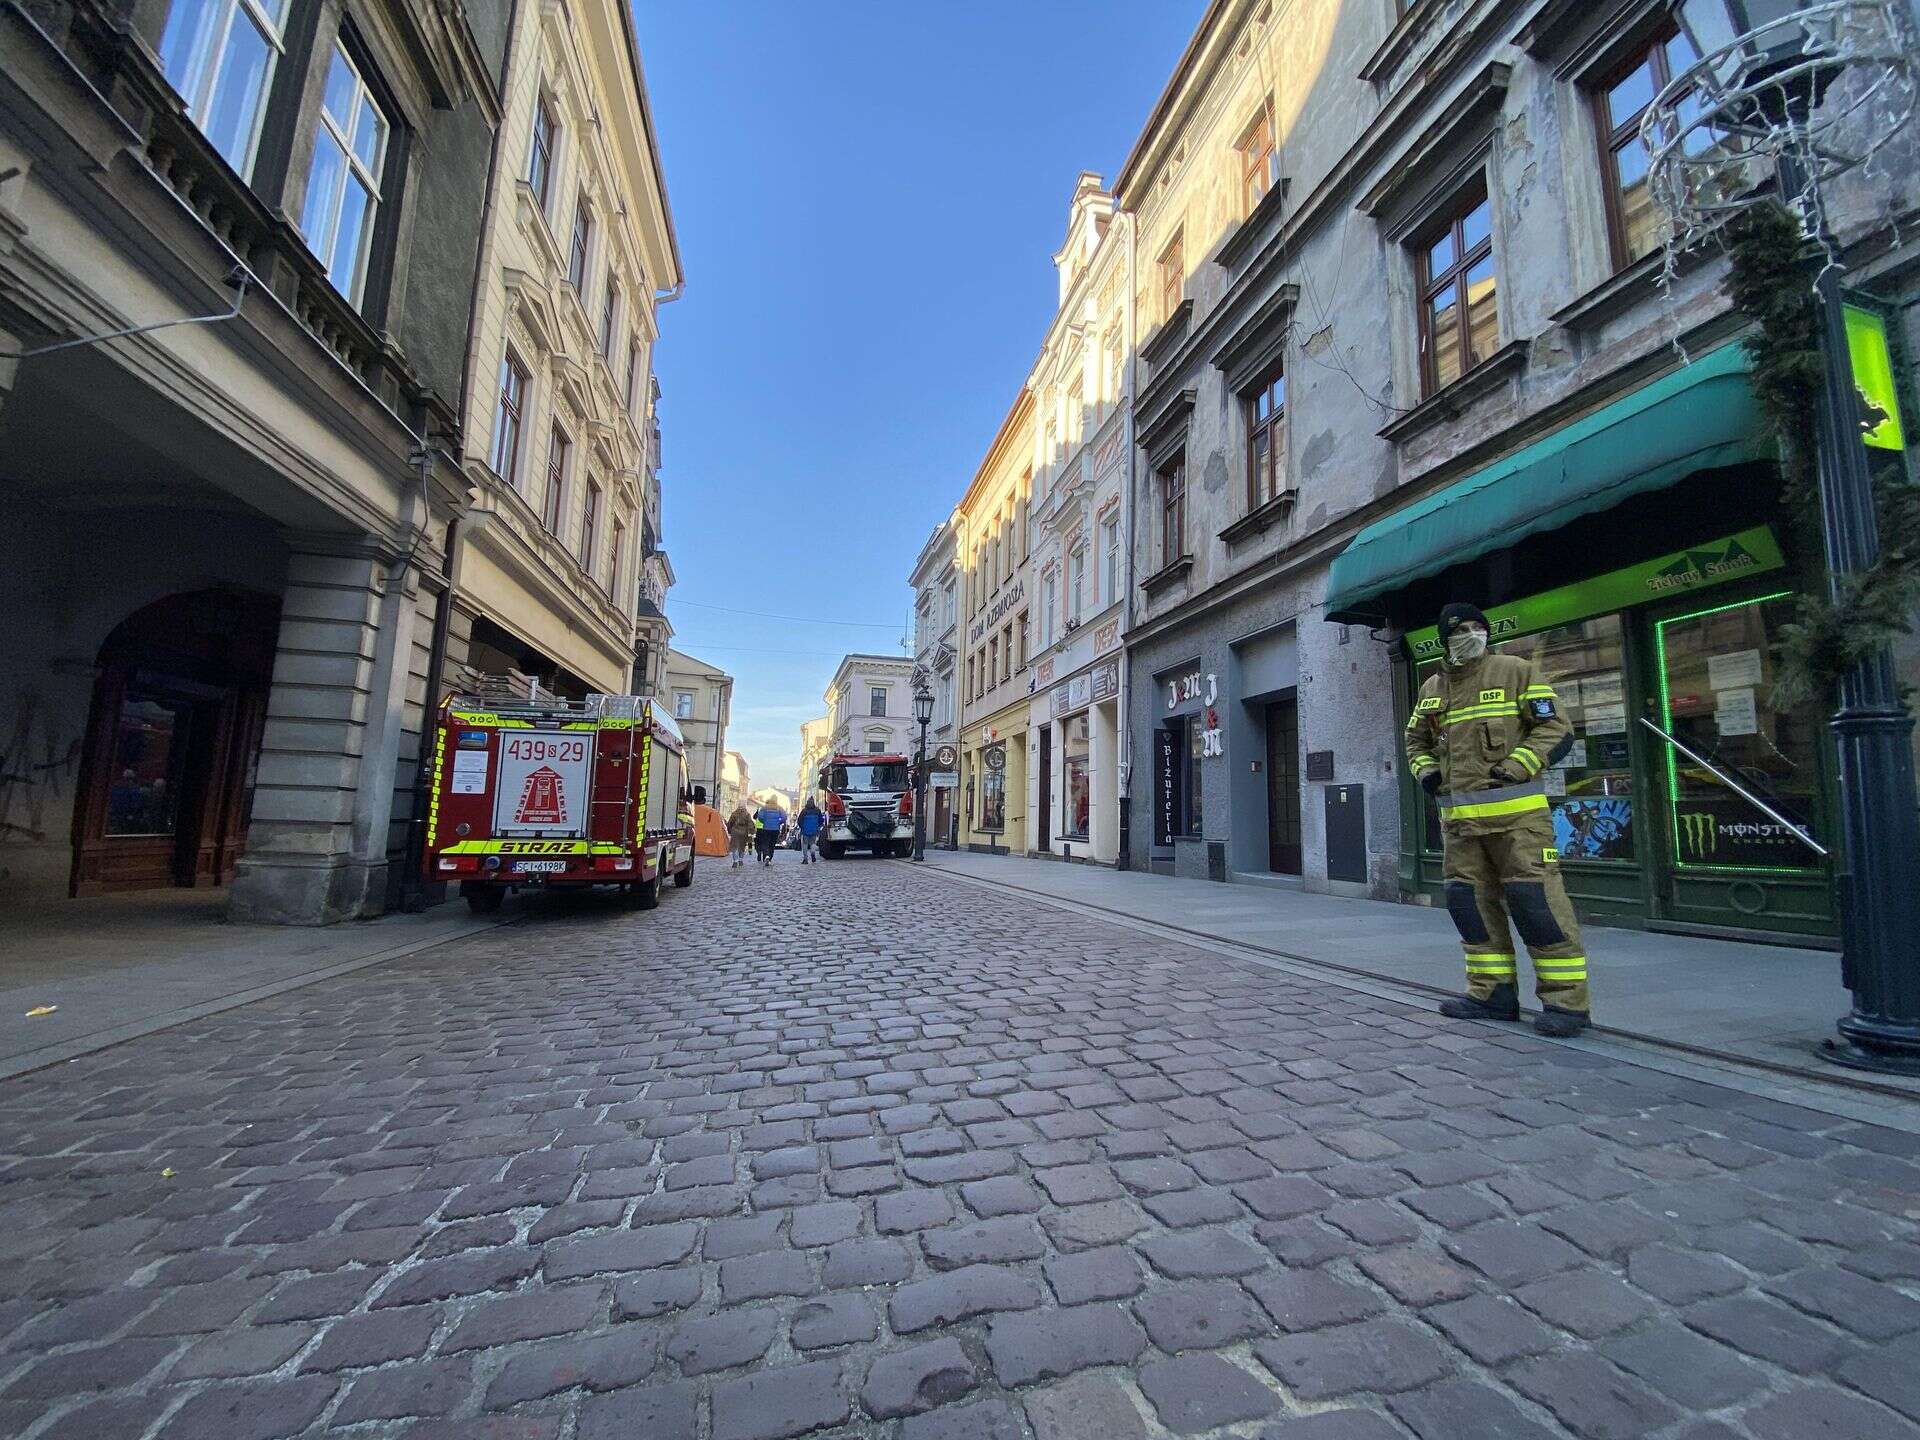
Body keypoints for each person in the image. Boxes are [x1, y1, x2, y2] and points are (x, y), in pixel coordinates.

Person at [1405, 602, 1590, 1037]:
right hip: (1460, 827)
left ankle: (1566, 1003)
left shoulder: (1516, 671)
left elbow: (1556, 729)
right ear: (1444, 639)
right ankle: (1492, 994)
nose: (1470, 634)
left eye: (1477, 627)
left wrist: (1519, 764)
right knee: (1470, 909)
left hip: (1520, 823)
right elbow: (1415, 739)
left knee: (1537, 906)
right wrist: (1428, 773)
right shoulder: (1432, 687)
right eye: (1460, 629)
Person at [753, 799, 788, 866]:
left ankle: (766, 855)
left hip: (766, 828)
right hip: (775, 829)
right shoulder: (779, 807)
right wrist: (779, 822)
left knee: (765, 843)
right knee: (772, 844)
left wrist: (764, 821)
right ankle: (770, 858)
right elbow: (784, 817)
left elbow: (759, 816)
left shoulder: (764, 807)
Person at [725, 801, 754, 868]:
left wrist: (729, 830)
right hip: (744, 832)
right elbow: (750, 823)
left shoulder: (734, 813)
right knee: (742, 846)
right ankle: (740, 860)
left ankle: (735, 861)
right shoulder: (747, 814)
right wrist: (750, 831)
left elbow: (730, 823)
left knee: (734, 847)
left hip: (735, 831)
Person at [796, 798, 825, 864]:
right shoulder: (817, 810)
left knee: (805, 844)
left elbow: (799, 820)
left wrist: (802, 827)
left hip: (805, 830)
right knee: (812, 843)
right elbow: (821, 820)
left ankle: (805, 859)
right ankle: (812, 853)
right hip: (814, 830)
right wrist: (818, 826)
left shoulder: (804, 811)